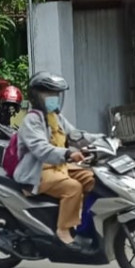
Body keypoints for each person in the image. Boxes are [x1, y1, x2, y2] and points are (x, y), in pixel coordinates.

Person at [13, 72, 97, 250]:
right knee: (73, 188)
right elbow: (41, 150)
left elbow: (77, 135)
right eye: (50, 95)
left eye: (57, 95)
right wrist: (68, 153)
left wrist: (103, 140)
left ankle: (85, 224)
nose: (55, 99)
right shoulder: (32, 121)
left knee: (92, 178)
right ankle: (63, 230)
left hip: (59, 167)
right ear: (37, 96)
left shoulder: (56, 118)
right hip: (38, 172)